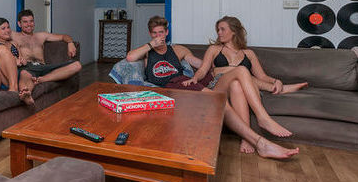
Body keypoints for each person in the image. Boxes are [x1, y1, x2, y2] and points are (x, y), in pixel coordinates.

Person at [126, 16, 298, 159]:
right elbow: (130, 58)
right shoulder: (147, 52)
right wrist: (151, 44)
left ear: (166, 32)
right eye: (154, 33)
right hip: (175, 85)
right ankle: (260, 140)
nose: (158, 36)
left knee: (237, 81)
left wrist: (209, 73)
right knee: (228, 89)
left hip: (189, 81)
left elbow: (202, 66)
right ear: (150, 34)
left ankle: (258, 130)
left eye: (161, 32)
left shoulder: (178, 50)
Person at [184, 16, 306, 153]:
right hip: (219, 85)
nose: (219, 33)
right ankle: (263, 117)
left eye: (223, 29)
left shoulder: (249, 53)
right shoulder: (214, 49)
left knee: (237, 84)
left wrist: (276, 81)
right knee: (241, 70)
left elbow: (262, 76)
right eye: (218, 30)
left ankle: (246, 138)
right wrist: (194, 78)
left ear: (234, 31)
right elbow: (202, 70)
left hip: (241, 87)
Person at [0, 9, 82, 86]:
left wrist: (70, 43)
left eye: (31, 21)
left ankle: (43, 79)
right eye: (25, 22)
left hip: (43, 67)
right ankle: (32, 86)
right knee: (25, 75)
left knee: (76, 65)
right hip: (27, 68)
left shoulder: (42, 36)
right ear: (19, 24)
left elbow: (63, 36)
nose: (29, 24)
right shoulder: (13, 35)